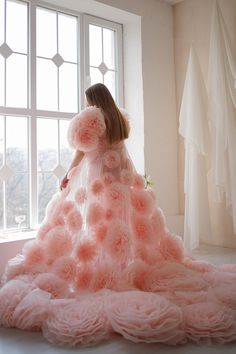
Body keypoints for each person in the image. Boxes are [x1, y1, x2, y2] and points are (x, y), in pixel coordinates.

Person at [1, 83, 236, 347]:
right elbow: (124, 154)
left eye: (88, 99)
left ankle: (104, 270)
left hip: (99, 179)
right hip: (120, 184)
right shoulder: (118, 119)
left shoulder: (93, 117)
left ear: (94, 99)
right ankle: (120, 267)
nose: (87, 103)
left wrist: (68, 174)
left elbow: (81, 150)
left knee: (98, 227)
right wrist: (137, 183)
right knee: (119, 228)